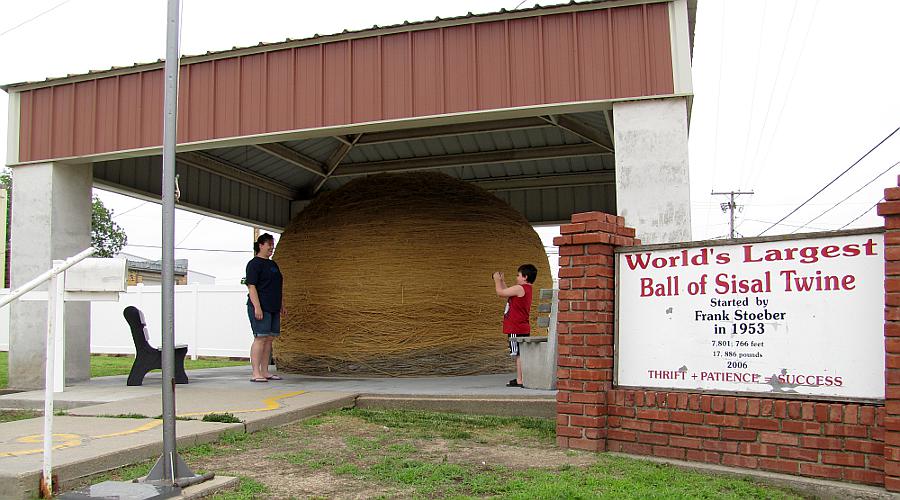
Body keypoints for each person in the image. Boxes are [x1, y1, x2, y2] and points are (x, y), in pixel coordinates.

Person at [245, 233, 285, 382]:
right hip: (261, 307)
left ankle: (265, 371)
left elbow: (277, 286)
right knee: (260, 338)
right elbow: (252, 286)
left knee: (269, 339)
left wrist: (281, 304)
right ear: (260, 245)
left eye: (272, 244)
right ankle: (256, 373)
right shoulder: (254, 264)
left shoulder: (273, 264)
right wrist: (257, 307)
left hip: (274, 307)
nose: (271, 247)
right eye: (269, 244)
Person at [493, 264, 537, 388]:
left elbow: (500, 293)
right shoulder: (526, 288)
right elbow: (508, 293)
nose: (516, 277)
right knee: (520, 353)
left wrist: (496, 280)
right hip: (522, 326)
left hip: (515, 327)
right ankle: (521, 378)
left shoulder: (520, 288)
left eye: (518, 275)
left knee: (518, 354)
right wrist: (502, 281)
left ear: (525, 277)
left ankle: (520, 379)